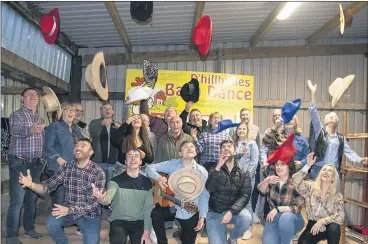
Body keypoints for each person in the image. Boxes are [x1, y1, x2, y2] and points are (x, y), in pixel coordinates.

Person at [18, 139, 106, 244]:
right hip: (69, 209)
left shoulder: (98, 173)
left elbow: (94, 205)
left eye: (83, 146)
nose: (78, 147)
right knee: (51, 223)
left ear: (91, 152)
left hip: (89, 215)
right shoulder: (67, 167)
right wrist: (31, 185)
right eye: (76, 145)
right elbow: (47, 187)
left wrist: (70, 210)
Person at [146, 140, 209, 244]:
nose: (189, 148)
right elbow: (149, 168)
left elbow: (204, 195)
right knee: (156, 213)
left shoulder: (202, 171)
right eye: (185, 147)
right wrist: (158, 178)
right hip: (170, 206)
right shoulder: (172, 164)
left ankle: (182, 234)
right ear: (180, 153)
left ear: (196, 152)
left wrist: (202, 216)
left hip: (190, 210)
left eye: (191, 147)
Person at [6, 88, 46, 244]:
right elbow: (15, 131)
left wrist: (43, 159)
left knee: (31, 199)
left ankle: (29, 229)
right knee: (17, 201)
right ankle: (11, 236)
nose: (32, 96)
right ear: (22, 98)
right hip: (19, 162)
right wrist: (32, 130)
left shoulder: (39, 117)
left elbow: (42, 141)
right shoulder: (16, 115)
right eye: (28, 95)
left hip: (35, 163)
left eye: (35, 95)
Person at [308, 81, 368, 180]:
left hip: (333, 172)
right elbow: (314, 114)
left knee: (333, 195)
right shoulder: (319, 132)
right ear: (325, 121)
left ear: (337, 122)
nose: (332, 117)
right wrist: (313, 94)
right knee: (317, 195)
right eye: (330, 116)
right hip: (318, 170)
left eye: (334, 117)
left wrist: (361, 160)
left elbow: (350, 153)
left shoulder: (341, 138)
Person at [93, 149, 153, 244]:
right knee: (118, 240)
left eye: (136, 156)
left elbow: (148, 209)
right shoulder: (116, 180)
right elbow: (107, 200)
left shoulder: (147, 182)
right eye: (129, 156)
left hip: (138, 222)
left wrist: (147, 232)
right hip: (119, 220)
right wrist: (101, 198)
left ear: (141, 162)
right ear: (125, 162)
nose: (132, 158)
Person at [258, 133, 305, 244]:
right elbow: (260, 190)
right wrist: (266, 181)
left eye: (282, 165)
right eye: (277, 165)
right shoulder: (273, 178)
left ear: (289, 166)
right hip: (274, 218)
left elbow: (297, 207)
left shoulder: (296, 181)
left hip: (294, 218)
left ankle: (287, 240)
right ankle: (281, 234)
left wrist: (277, 209)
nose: (278, 167)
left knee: (286, 218)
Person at [205, 140, 253, 244]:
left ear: (235, 151)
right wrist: (218, 168)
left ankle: (232, 238)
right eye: (223, 147)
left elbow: (245, 195)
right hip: (215, 212)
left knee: (247, 217)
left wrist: (231, 212)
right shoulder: (213, 168)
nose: (226, 148)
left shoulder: (244, 171)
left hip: (234, 211)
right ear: (220, 152)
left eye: (229, 146)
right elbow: (209, 189)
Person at [294, 152, 345, 244]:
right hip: (312, 225)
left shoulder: (337, 196)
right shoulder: (310, 187)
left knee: (335, 227)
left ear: (333, 178)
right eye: (324, 169)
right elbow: (295, 181)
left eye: (330, 170)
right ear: (320, 173)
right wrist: (307, 166)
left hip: (329, 226)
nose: (326, 171)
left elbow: (340, 216)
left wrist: (322, 221)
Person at [44, 102, 84, 205]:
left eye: (73, 110)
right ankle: (57, 219)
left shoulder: (76, 129)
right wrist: (58, 158)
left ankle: (67, 219)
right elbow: (47, 146)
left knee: (71, 198)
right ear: (61, 112)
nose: (71, 112)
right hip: (57, 167)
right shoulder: (54, 126)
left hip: (73, 167)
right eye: (67, 109)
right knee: (60, 197)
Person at [233, 122, 259, 240]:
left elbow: (254, 161)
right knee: (236, 201)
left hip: (248, 178)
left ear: (247, 130)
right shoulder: (233, 144)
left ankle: (248, 228)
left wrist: (246, 177)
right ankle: (240, 224)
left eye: (244, 129)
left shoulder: (252, 143)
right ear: (236, 130)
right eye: (239, 129)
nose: (241, 130)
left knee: (247, 202)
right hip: (234, 178)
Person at [89, 102, 121, 184]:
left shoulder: (118, 125)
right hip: (98, 162)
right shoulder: (94, 123)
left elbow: (123, 140)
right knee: (97, 186)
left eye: (109, 108)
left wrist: (121, 129)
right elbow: (92, 134)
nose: (107, 110)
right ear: (101, 112)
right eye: (104, 108)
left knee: (111, 187)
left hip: (113, 163)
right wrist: (101, 125)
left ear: (113, 112)